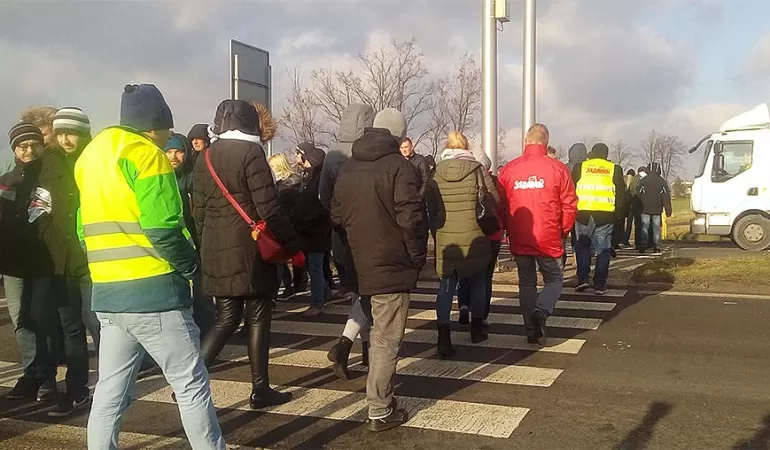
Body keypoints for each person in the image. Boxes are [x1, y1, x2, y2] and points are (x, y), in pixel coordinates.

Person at [77, 84, 225, 449]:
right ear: (157, 122)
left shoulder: (91, 156)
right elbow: (162, 228)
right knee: (190, 385)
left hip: (108, 295)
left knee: (110, 390)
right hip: (155, 292)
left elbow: (81, 229)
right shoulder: (146, 154)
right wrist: (192, 268)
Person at [194, 99, 300, 410]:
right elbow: (268, 207)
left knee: (225, 318)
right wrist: (292, 244)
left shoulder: (207, 156)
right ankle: (260, 388)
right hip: (250, 249)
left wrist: (206, 245)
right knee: (258, 318)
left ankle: (190, 382)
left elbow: (198, 210)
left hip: (216, 246)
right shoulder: (252, 153)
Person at [331, 107, 426, 431]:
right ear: (397, 135)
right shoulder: (400, 168)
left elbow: (337, 216)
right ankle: (380, 409)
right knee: (386, 340)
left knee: (375, 333)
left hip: (361, 263)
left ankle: (380, 399)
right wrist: (416, 259)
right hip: (392, 265)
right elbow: (411, 221)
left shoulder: (348, 167)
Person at [497, 123, 577, 346]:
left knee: (527, 283)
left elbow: (501, 205)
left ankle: (531, 330)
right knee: (554, 279)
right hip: (549, 236)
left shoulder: (509, 170)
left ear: (526, 141)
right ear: (546, 143)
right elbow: (569, 203)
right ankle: (541, 311)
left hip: (520, 235)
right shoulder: (558, 169)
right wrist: (564, 230)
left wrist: (507, 228)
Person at [427, 131, 499, 356]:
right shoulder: (477, 170)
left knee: (446, 285)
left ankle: (443, 335)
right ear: (466, 146)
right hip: (474, 235)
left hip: (446, 237)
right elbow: (494, 200)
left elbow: (431, 206)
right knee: (478, 281)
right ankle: (476, 329)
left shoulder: (436, 172)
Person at [0, 124, 58, 403]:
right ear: (14, 149)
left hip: (43, 260)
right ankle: (29, 373)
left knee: (43, 319)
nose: (28, 150)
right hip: (12, 263)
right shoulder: (5, 180)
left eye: (34, 144)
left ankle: (47, 377)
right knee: (21, 320)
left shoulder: (49, 177)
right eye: (22, 145)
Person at [320, 104, 375, 380]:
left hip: (340, 237)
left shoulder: (332, 156)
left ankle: (360, 348)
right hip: (366, 234)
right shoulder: (368, 152)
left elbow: (323, 196)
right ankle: (349, 345)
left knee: (357, 291)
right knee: (370, 294)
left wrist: (338, 220)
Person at [164, 133, 215, 340]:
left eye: (179, 151)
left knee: (203, 298)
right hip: (172, 247)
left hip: (199, 244)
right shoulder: (159, 179)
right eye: (169, 151)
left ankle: (207, 339)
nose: (174, 156)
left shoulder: (195, 178)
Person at [571, 143, 626, 295]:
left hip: (583, 213)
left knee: (582, 247)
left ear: (591, 153)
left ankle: (582, 279)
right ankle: (600, 285)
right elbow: (621, 193)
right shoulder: (614, 169)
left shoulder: (580, 167)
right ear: (606, 155)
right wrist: (620, 214)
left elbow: (571, 190)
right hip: (605, 215)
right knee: (603, 250)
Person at [456, 150, 503, 328]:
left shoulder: (463, 180)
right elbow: (501, 207)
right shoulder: (495, 183)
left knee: (465, 275)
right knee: (485, 279)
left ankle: (464, 306)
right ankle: (482, 315)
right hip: (492, 236)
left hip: (468, 234)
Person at [293, 142, 333, 317]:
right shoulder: (308, 178)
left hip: (316, 232)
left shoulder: (318, 180)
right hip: (308, 231)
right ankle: (324, 293)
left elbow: (322, 206)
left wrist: (309, 220)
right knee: (312, 266)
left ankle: (317, 303)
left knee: (315, 268)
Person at [268, 154, 307, 299]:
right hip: (292, 225)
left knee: (281, 259)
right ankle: (293, 284)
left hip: (286, 225)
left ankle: (286, 287)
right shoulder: (296, 183)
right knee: (285, 259)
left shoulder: (283, 188)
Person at [637, 162, 672, 253]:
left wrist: (636, 208)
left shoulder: (643, 181)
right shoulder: (662, 181)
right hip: (657, 209)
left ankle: (643, 244)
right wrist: (668, 210)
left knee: (645, 227)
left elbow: (638, 195)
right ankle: (656, 246)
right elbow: (666, 196)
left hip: (645, 208)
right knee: (656, 228)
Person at [622, 168, 636, 246]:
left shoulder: (623, 180)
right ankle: (625, 239)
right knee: (629, 224)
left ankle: (621, 238)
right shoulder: (634, 182)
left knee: (621, 223)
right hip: (631, 206)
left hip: (623, 205)